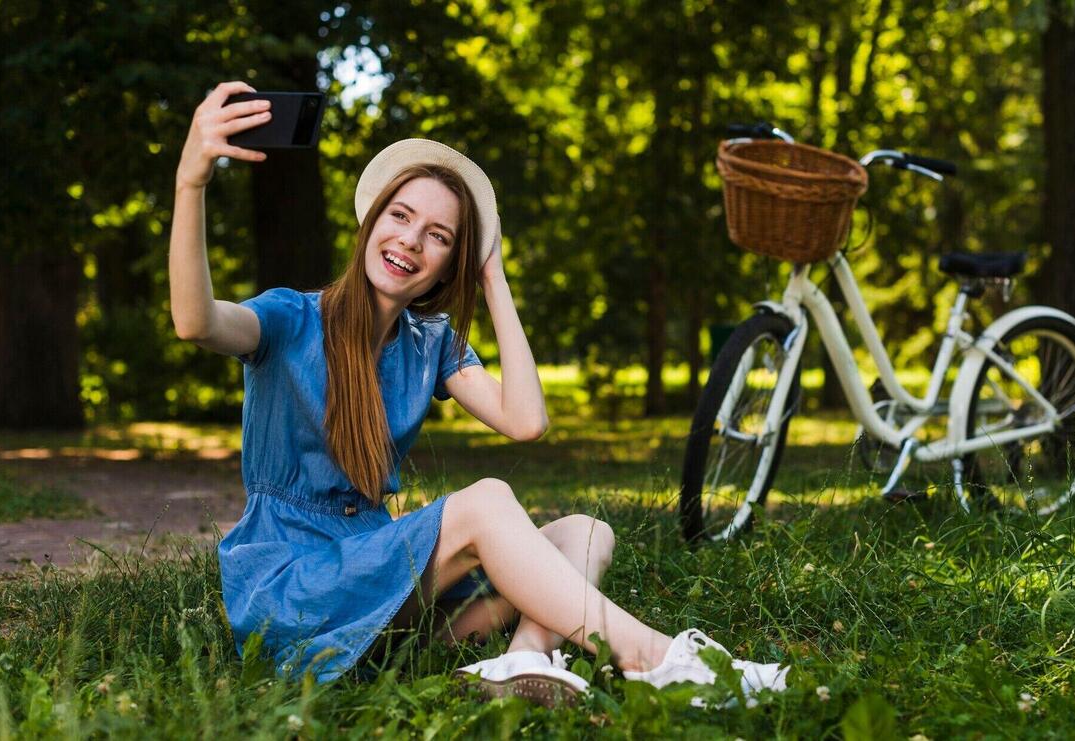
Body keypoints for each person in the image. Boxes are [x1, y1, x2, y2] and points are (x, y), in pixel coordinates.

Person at [169, 81, 790, 707]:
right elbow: (197, 322)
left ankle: (524, 658)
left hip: (383, 594)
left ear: (450, 262)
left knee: (587, 531)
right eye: (401, 216)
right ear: (372, 222)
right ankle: (655, 658)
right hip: (293, 596)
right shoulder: (290, 318)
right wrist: (191, 182)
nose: (411, 241)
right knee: (487, 501)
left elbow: (525, 421)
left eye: (439, 236)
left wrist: (492, 275)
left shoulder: (428, 343)